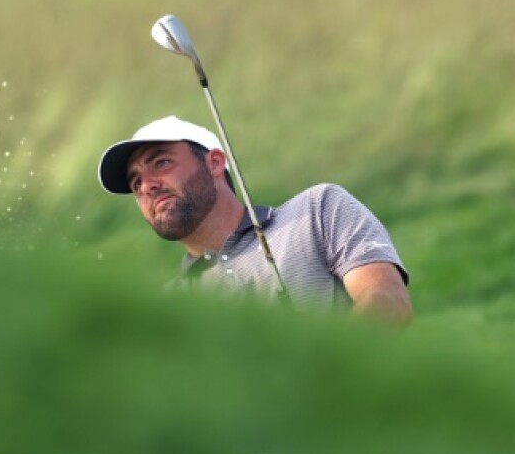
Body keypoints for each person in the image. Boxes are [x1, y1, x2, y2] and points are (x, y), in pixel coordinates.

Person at [97, 116, 412, 324]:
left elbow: (387, 303)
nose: (147, 186)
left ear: (215, 163)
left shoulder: (316, 210)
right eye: (135, 182)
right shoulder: (165, 310)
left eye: (161, 163)